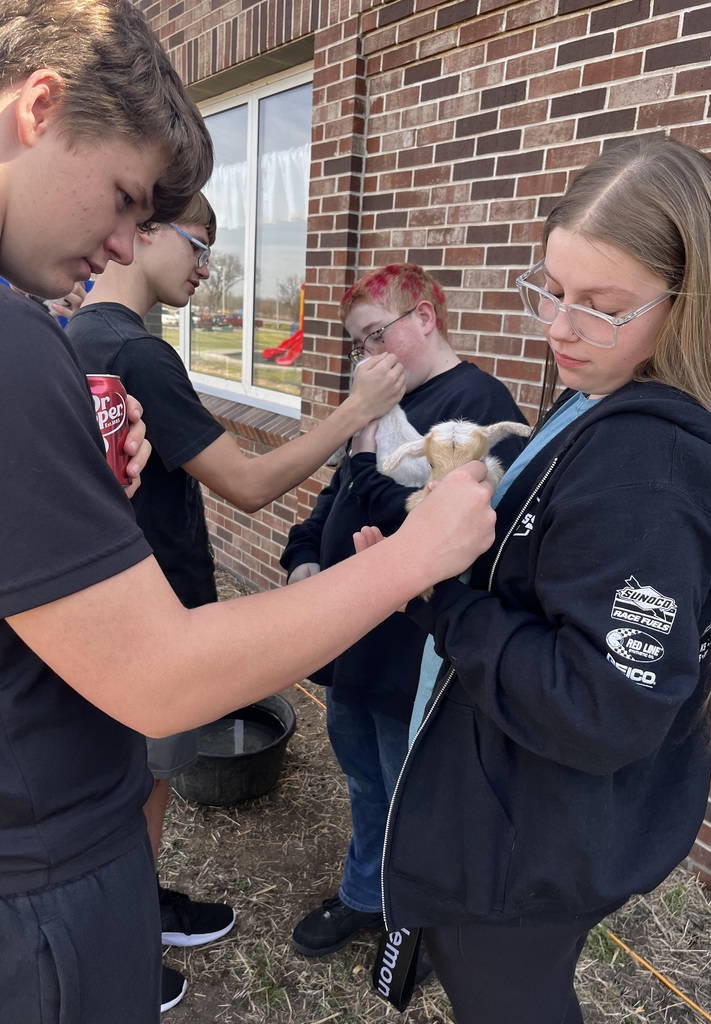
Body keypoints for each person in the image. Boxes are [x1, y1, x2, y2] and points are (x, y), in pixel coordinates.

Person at [0, 4, 496, 1024]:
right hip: (40, 883)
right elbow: (163, 668)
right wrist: (412, 555)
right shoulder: (32, 347)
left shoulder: (46, 338)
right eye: (131, 201)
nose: (128, 241)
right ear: (39, 109)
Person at [373, 136, 711, 1024]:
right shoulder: (601, 390)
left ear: (688, 302)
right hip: (526, 810)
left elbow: (602, 705)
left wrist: (442, 601)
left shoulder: (655, 469)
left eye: (602, 305)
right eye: (551, 288)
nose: (559, 327)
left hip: (527, 846)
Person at [67, 194, 408, 1007]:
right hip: (160, 614)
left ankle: (142, 915)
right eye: (199, 242)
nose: (207, 265)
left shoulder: (78, 338)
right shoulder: (138, 354)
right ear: (143, 232)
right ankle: (131, 953)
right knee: (142, 790)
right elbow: (250, 484)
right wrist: (357, 412)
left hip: (115, 607)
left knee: (127, 783)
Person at [281, 264, 527, 979]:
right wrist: (302, 555)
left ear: (425, 317)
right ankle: (366, 894)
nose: (370, 357)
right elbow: (336, 505)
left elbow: (454, 530)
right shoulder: (377, 406)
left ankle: (413, 927)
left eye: (378, 335)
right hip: (350, 639)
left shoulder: (474, 405)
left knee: (408, 793)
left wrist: (362, 463)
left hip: (409, 653)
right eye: (358, 344)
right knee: (363, 778)